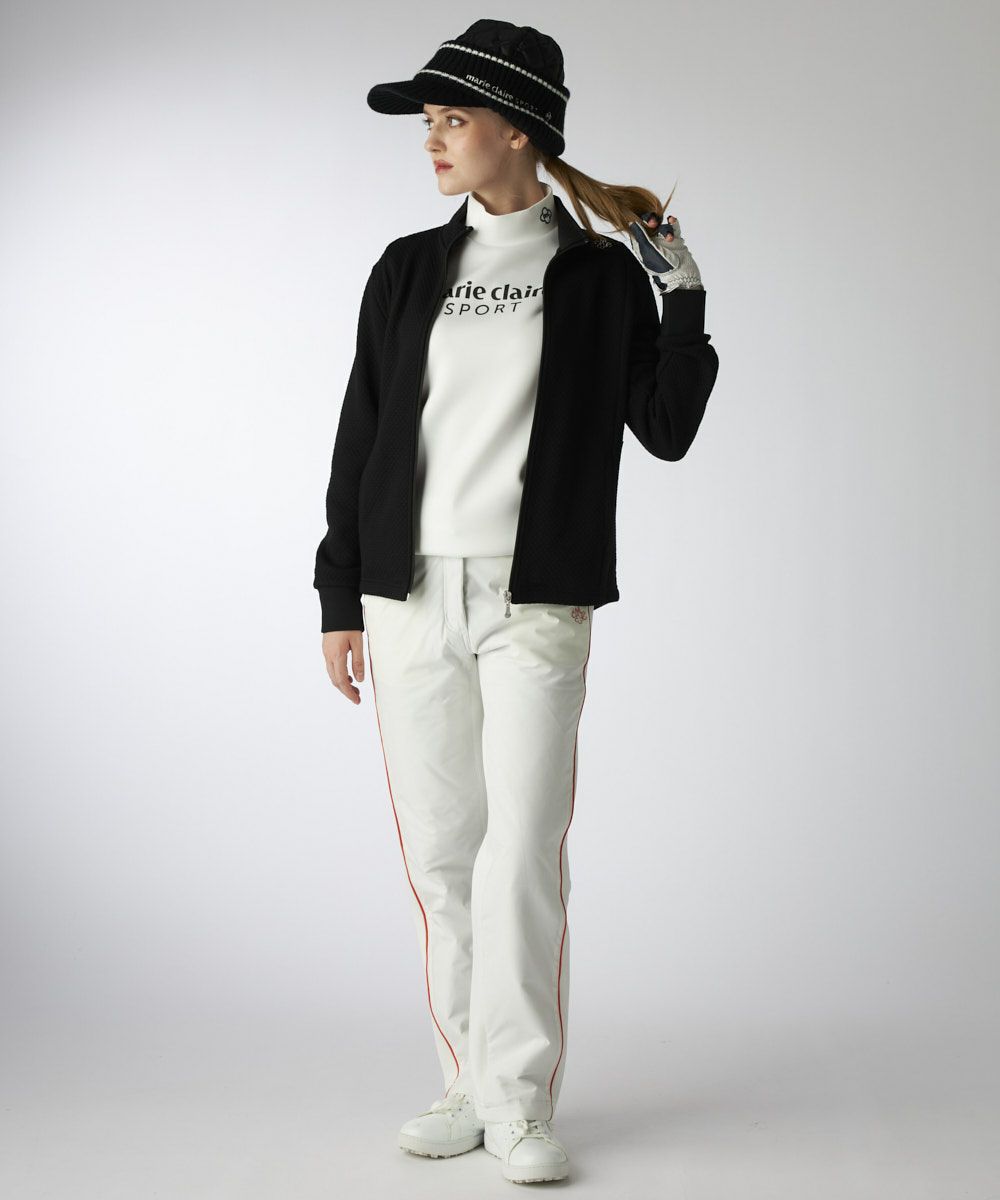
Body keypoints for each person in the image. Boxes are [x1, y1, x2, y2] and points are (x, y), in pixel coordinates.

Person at [314, 19, 720, 1186]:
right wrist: (338, 590)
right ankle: (464, 1085)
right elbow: (361, 433)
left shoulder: (595, 278)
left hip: (534, 600)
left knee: (521, 856)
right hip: (406, 595)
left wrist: (681, 295)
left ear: (519, 129)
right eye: (430, 122)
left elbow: (667, 428)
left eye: (452, 119)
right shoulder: (406, 269)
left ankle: (521, 1101)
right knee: (445, 856)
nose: (432, 140)